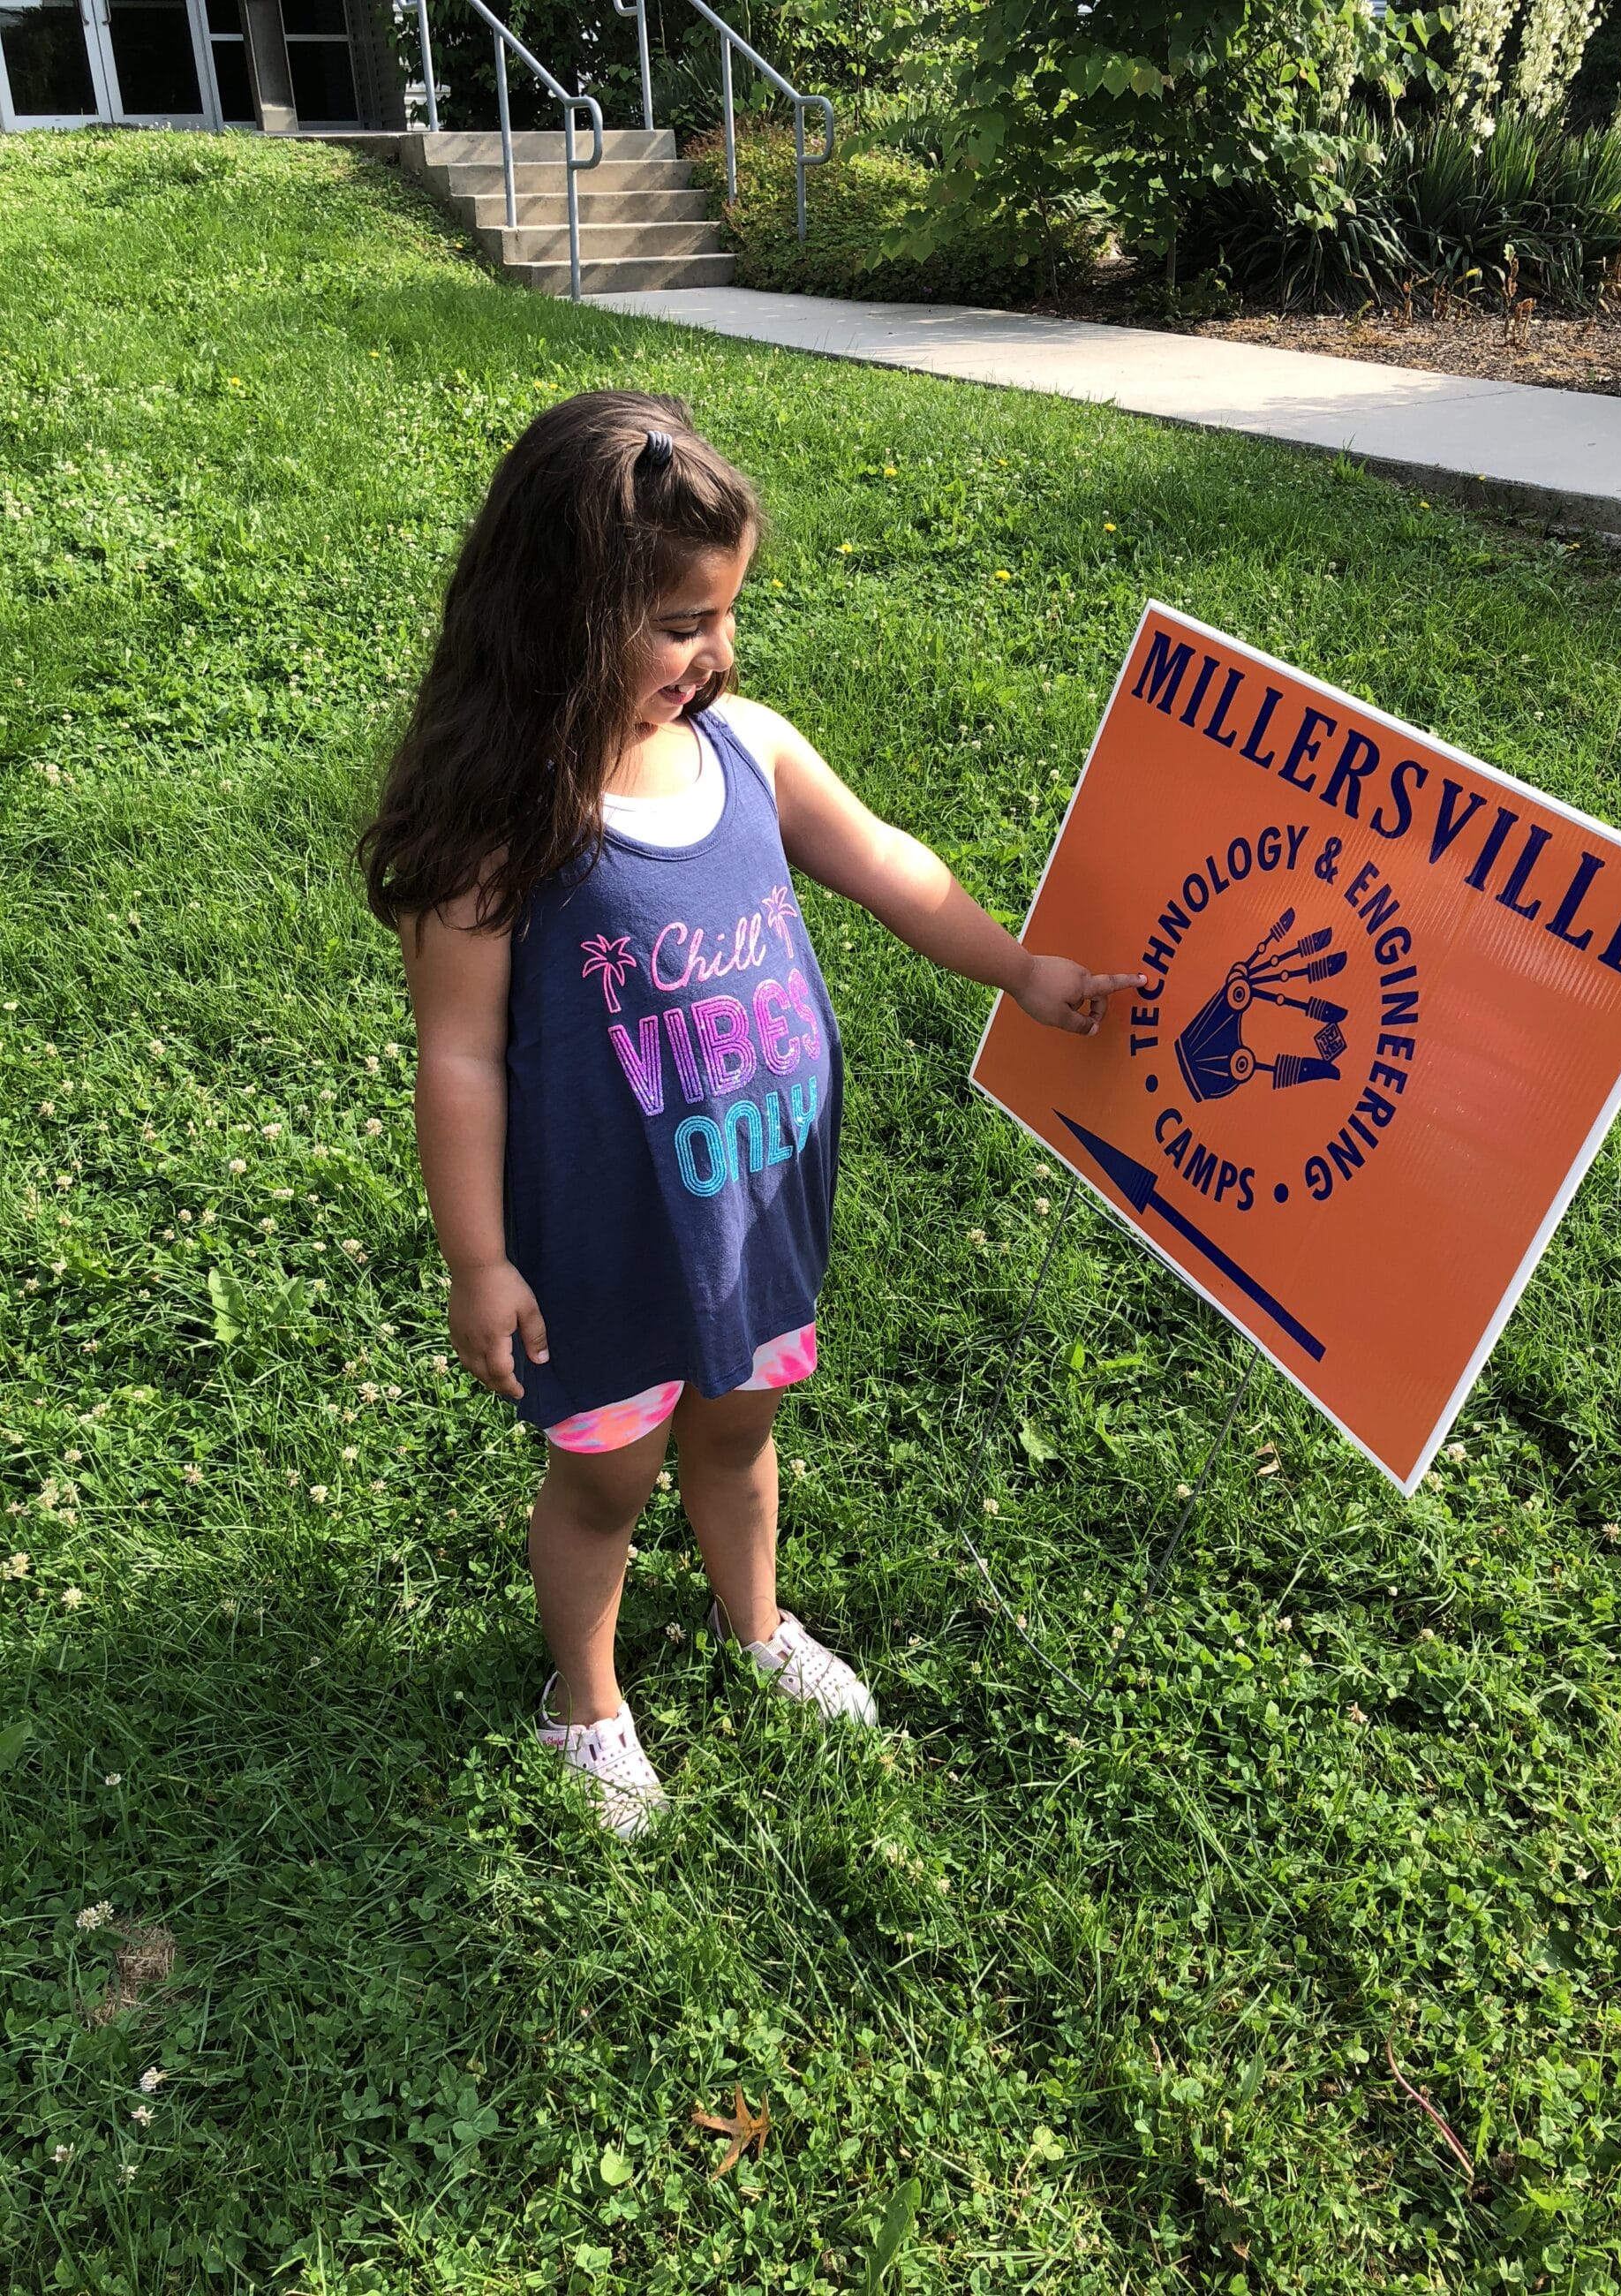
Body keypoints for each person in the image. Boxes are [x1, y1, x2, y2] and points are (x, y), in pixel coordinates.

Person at [359, 391, 1139, 1840]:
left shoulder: (750, 751)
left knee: (738, 1434)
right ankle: (586, 1698)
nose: (716, 653)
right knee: (605, 1479)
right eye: (678, 625)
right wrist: (480, 1262)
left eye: (725, 614)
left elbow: (889, 863)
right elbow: (458, 1058)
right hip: (601, 1245)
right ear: (559, 619)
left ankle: (754, 1619)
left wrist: (1016, 967)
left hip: (758, 1203)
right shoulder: (500, 827)